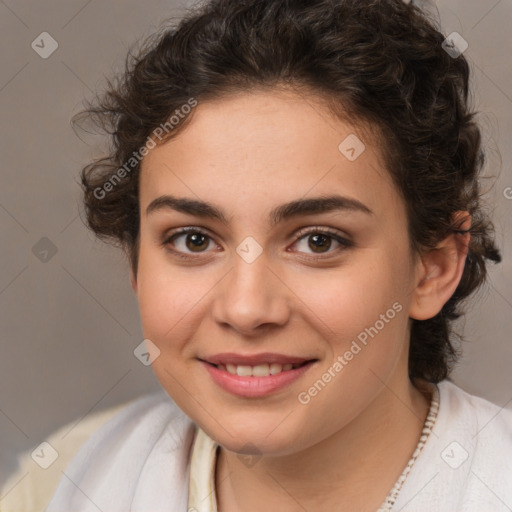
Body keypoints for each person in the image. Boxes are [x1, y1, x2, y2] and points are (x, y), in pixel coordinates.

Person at [45, 0, 512, 511]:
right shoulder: (66, 479)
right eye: (194, 240)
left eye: (318, 241)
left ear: (433, 269)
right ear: (136, 261)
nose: (246, 310)